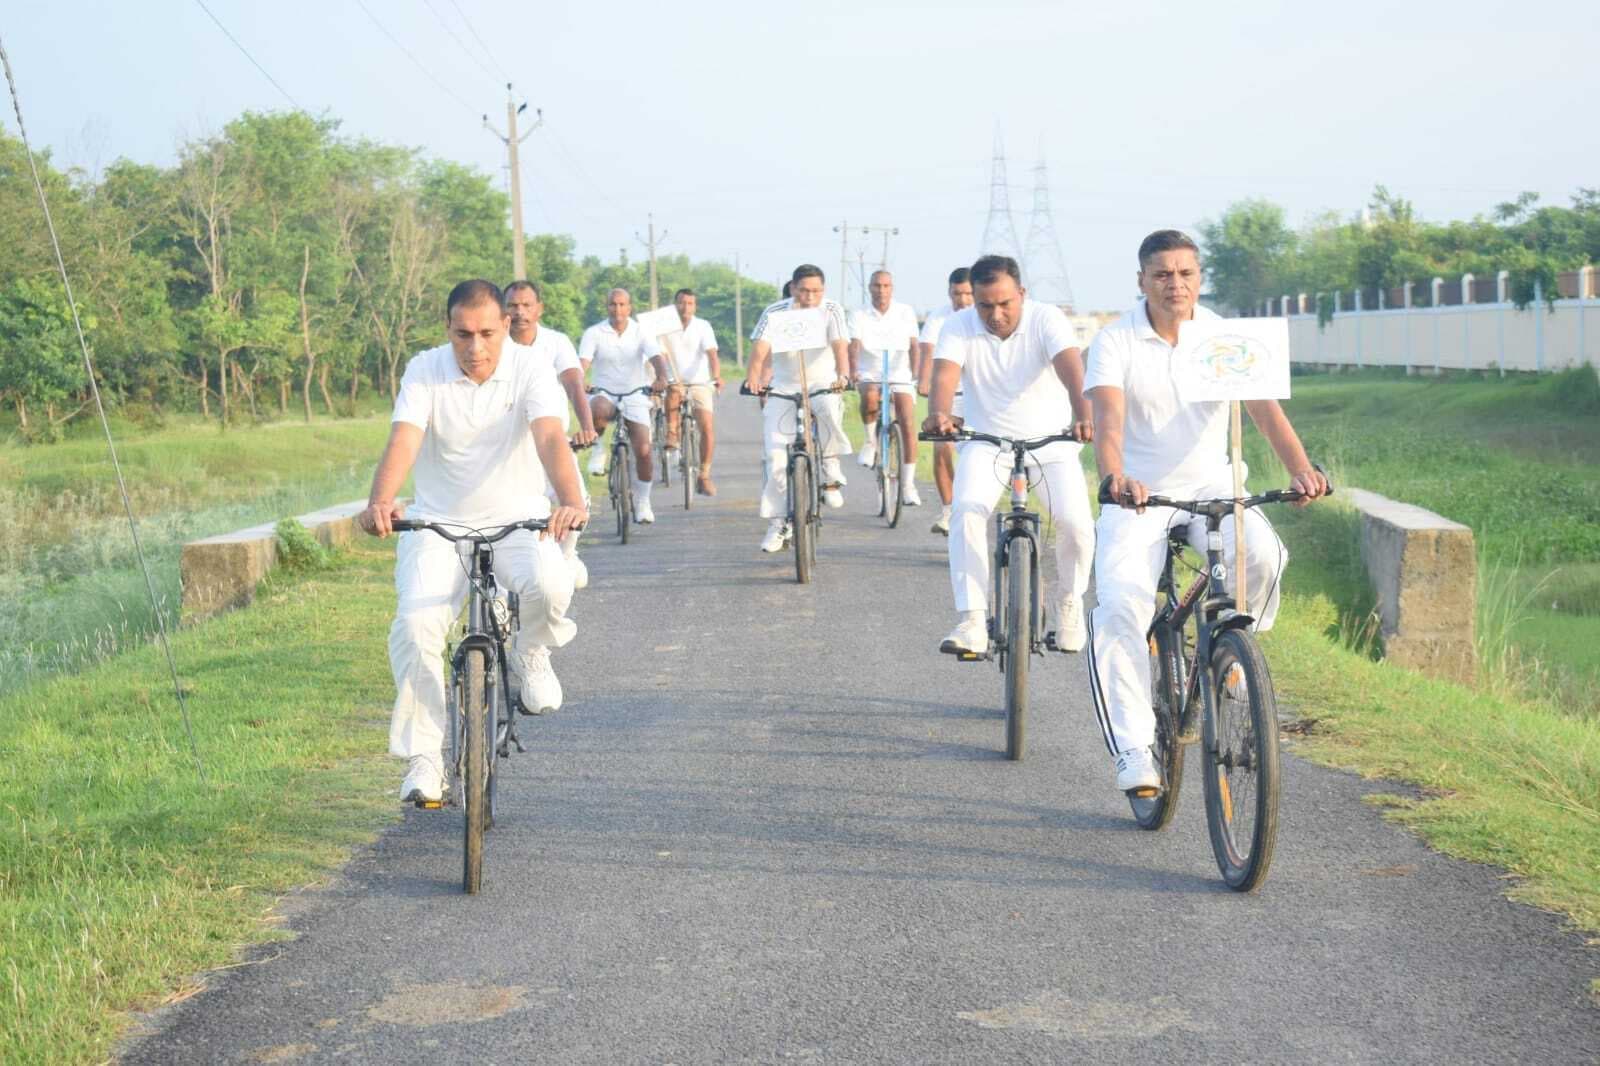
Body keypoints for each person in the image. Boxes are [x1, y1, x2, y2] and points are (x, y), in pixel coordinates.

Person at [1084, 229, 1328, 793]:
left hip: (1212, 486)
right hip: (1139, 495)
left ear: (1200, 278)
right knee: (1121, 606)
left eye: (1186, 273)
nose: (1176, 284)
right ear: (1142, 280)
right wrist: (1115, 476)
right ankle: (1134, 748)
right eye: (1162, 274)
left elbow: (1264, 409)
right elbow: (1109, 420)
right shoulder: (1115, 341)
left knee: (1264, 556)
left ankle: (1236, 661)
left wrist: (1300, 469)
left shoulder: (1220, 336)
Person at [359, 279, 587, 806]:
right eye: (463, 334)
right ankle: (425, 758)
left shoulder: (530, 368)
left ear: (507, 325)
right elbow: (405, 438)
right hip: (437, 524)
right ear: (448, 330)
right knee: (416, 626)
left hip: (519, 520)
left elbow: (551, 436)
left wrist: (570, 501)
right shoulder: (425, 369)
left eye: (487, 333)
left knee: (551, 586)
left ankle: (530, 652)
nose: (475, 348)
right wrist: (381, 500)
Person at [922, 254, 1095, 657]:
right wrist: (939, 414)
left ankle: (1069, 602)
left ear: (1021, 293)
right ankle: (971, 618)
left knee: (1077, 523)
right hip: (986, 443)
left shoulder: (1046, 319)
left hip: (1051, 443)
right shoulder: (957, 326)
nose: (995, 314)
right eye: (985, 305)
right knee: (966, 510)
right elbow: (944, 376)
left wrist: (1084, 415)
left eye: (1005, 304)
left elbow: (1071, 368)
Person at [743, 264, 852, 553]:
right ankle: (778, 523)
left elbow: (841, 345)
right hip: (784, 387)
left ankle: (830, 466)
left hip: (821, 383)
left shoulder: (832, 310)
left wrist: (843, 374)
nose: (810, 297)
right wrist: (753, 377)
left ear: (823, 290)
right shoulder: (775, 311)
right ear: (793, 289)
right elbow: (760, 346)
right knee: (775, 456)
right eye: (804, 290)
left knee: (829, 408)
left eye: (816, 291)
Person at [505, 279, 592, 588]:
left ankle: (567, 556)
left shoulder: (556, 342)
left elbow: (572, 382)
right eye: (512, 306)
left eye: (526, 305)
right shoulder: (495, 343)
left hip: (551, 440)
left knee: (575, 499)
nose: (519, 312)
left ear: (539, 309)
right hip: (508, 445)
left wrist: (587, 425)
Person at [578, 288, 671, 525]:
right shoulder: (594, 332)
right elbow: (583, 363)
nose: (617, 309)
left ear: (629, 307)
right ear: (606, 306)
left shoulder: (640, 332)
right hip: (604, 392)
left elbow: (656, 357)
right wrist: (581, 380)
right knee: (597, 409)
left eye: (622, 305)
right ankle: (599, 450)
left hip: (635, 393)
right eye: (612, 304)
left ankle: (642, 503)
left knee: (643, 450)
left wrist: (661, 378)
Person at [849, 270, 923, 507]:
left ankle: (908, 484)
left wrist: (916, 375)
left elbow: (914, 346)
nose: (881, 290)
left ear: (892, 288)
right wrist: (852, 371)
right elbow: (854, 345)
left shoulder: (905, 312)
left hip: (899, 372)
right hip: (869, 371)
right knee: (870, 395)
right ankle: (870, 442)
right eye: (877, 286)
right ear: (870, 288)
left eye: (886, 286)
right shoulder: (859, 314)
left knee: (907, 419)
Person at [916, 267, 975, 534]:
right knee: (942, 447)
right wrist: (924, 379)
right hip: (949, 394)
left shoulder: (985, 315)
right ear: (949, 293)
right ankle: (948, 510)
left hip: (979, 396)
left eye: (967, 293)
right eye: (956, 294)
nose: (962, 300)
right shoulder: (939, 318)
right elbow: (927, 350)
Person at [659, 288, 722, 496]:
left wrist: (716, 376)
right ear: (674, 304)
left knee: (707, 427)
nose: (685, 307)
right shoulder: (664, 327)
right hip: (673, 380)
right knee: (674, 391)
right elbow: (659, 354)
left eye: (690, 303)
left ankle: (703, 475)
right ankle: (672, 434)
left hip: (699, 382)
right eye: (681, 303)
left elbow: (712, 354)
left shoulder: (703, 326)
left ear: (695, 306)